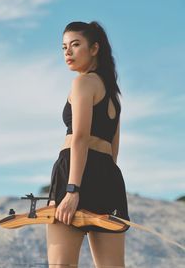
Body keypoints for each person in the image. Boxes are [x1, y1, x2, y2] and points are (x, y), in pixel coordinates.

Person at [46, 21, 130, 268]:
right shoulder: (113, 96)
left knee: (61, 265)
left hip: (76, 175)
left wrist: (72, 189)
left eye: (75, 45)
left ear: (94, 49)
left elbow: (80, 137)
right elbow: (113, 151)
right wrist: (102, 184)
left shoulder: (83, 83)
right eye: (63, 48)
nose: (67, 53)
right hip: (108, 179)